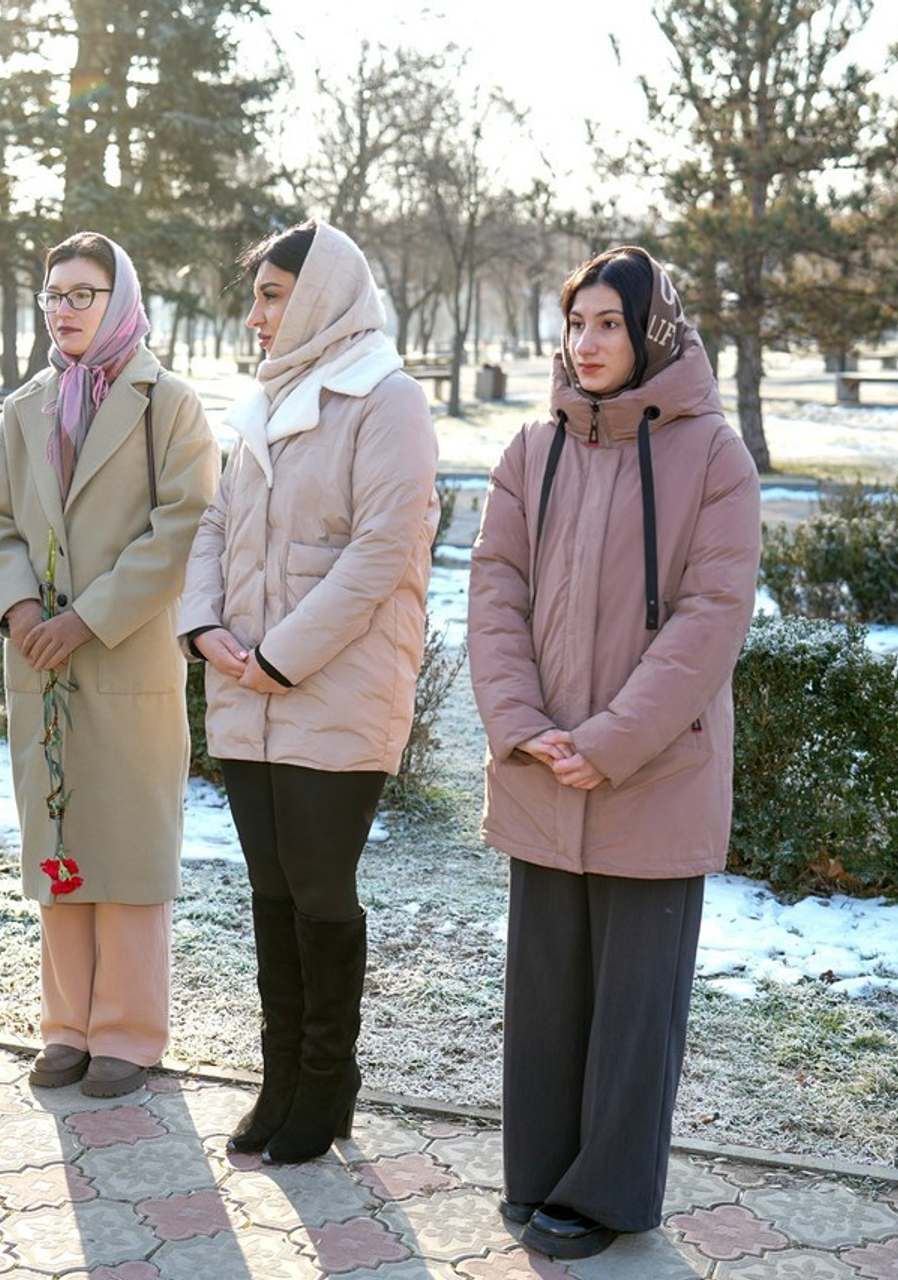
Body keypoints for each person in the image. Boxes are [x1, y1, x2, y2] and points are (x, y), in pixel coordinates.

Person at [467, 246, 761, 1260]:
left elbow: (708, 618)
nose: (583, 343)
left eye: (605, 324)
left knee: (636, 1003)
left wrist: (609, 742)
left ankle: (608, 1191)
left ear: (651, 333)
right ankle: (539, 1170)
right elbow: (493, 591)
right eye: (574, 322)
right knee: (545, 988)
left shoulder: (713, 456)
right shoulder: (529, 449)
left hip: (653, 771)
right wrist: (521, 722)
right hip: (542, 764)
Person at [180, 219, 440, 1164]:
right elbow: (213, 524)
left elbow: (382, 551)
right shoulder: (264, 402)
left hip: (331, 691)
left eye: (273, 295)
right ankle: (282, 1078)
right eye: (257, 296)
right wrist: (203, 626)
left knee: (321, 892)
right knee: (270, 893)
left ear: (323, 295)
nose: (255, 316)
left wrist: (278, 655)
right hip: (245, 688)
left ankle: (328, 1083)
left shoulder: (388, 398)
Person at [0, 232, 219, 1099]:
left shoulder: (168, 402)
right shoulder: (26, 405)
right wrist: (23, 610)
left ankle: (129, 1034)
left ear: (119, 301)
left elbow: (182, 527)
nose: (65, 310)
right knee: (61, 845)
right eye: (55, 294)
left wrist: (88, 617)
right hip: (42, 658)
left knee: (131, 847)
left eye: (84, 294)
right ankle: (67, 1027)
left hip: (124, 654)